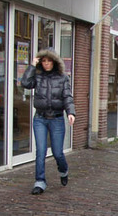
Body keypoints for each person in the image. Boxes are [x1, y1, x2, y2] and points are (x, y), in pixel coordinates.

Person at [20, 49, 76, 195]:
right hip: (40, 119)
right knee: (41, 151)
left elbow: (67, 97)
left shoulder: (63, 78)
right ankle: (40, 182)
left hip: (57, 119)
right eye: (43, 61)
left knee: (58, 153)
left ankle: (63, 170)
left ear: (55, 62)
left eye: (49, 61)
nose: (46, 64)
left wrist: (70, 113)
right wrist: (32, 65)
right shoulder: (38, 77)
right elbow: (25, 83)